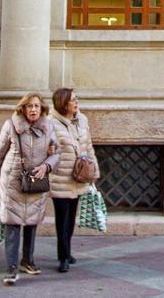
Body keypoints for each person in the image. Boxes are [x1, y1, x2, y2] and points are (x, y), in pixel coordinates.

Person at [0, 92, 59, 286]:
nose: (33, 110)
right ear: (23, 109)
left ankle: (27, 260)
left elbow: (57, 152)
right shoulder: (10, 126)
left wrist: (46, 166)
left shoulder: (48, 126)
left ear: (41, 109)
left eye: (36, 106)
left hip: (36, 181)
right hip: (12, 181)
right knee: (12, 224)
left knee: (31, 222)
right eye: (29, 106)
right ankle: (11, 267)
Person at [48, 86, 97, 273]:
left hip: (79, 176)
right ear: (63, 103)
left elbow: (88, 146)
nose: (77, 102)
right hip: (60, 177)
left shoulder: (82, 120)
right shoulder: (51, 123)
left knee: (71, 219)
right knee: (62, 218)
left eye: (77, 99)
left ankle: (67, 252)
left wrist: (94, 172)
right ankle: (63, 257)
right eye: (73, 100)